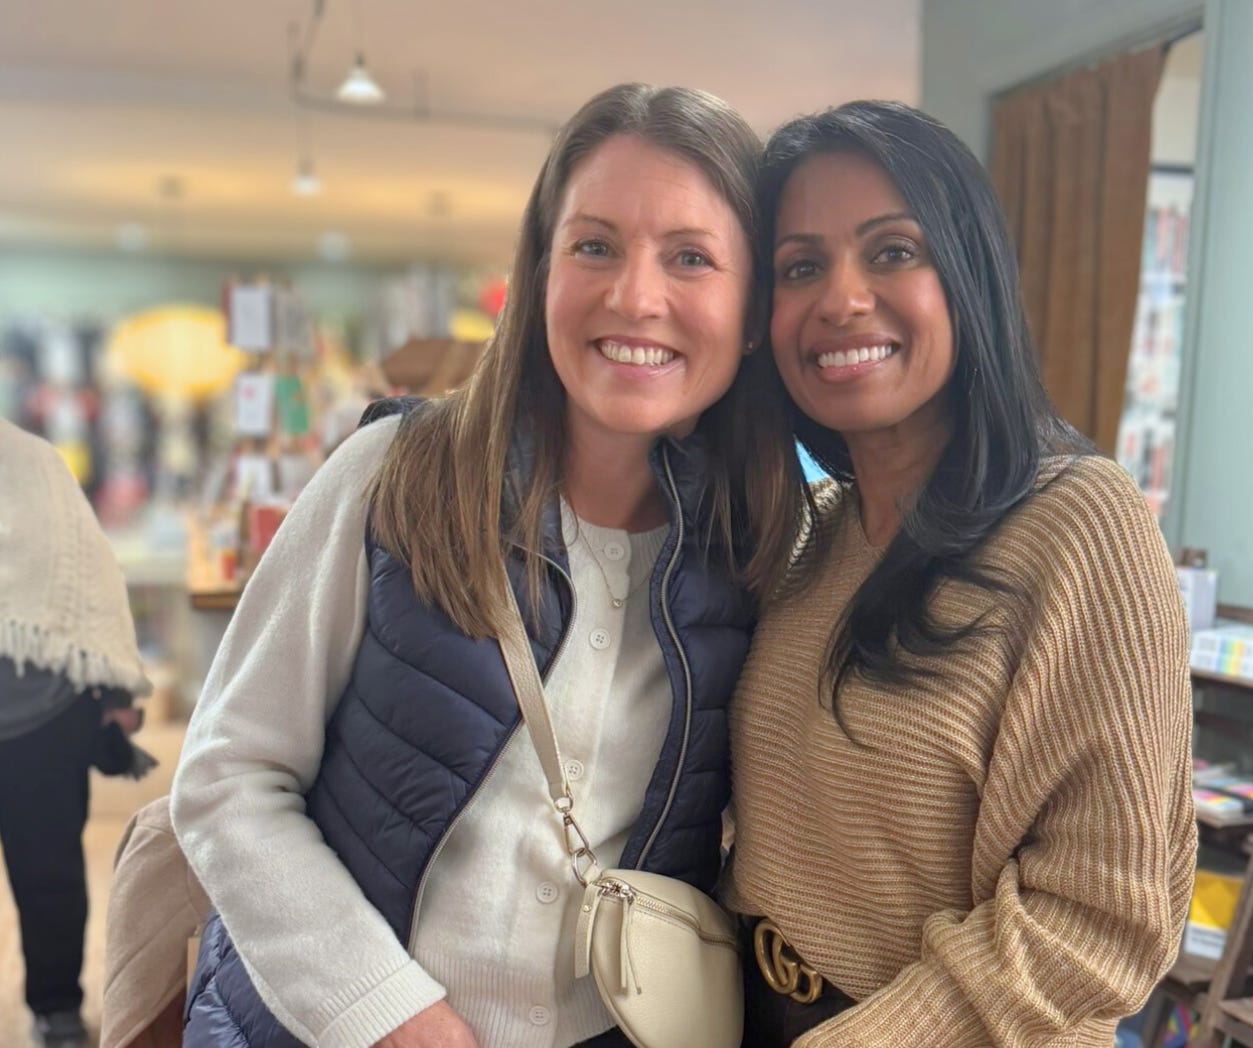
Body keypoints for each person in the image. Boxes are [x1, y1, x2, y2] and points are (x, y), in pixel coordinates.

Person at [170, 83, 801, 1048]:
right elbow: (228, 775)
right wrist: (390, 1016)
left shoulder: (756, 544)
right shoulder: (400, 476)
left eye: (691, 258)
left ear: (752, 311)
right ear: (540, 270)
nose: (636, 296)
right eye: (594, 245)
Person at [723, 100, 1197, 1047]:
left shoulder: (1078, 524)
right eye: (800, 266)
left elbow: (1106, 918)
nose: (841, 299)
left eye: (893, 251)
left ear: (968, 272)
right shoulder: (809, 536)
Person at [0, 418, 151, 1048]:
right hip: (43, 708)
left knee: (49, 872)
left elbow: (91, 577)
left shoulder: (35, 464)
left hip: (45, 708)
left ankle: (58, 1007)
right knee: (50, 870)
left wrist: (115, 689)